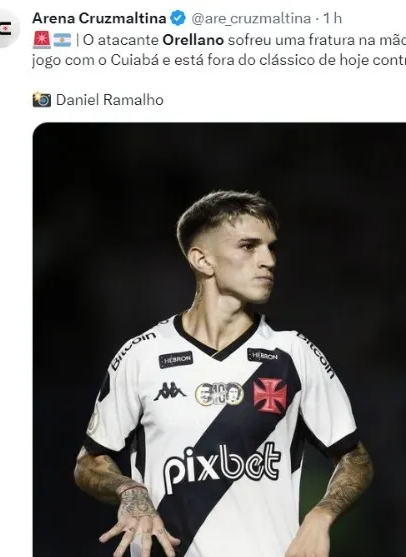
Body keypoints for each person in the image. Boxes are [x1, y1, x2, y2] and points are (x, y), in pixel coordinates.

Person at [74, 190, 374, 557]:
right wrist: (130, 491)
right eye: (248, 247)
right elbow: (89, 462)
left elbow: (355, 459)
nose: (268, 260)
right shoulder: (142, 355)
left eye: (272, 248)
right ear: (202, 259)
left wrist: (321, 515)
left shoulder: (293, 353)